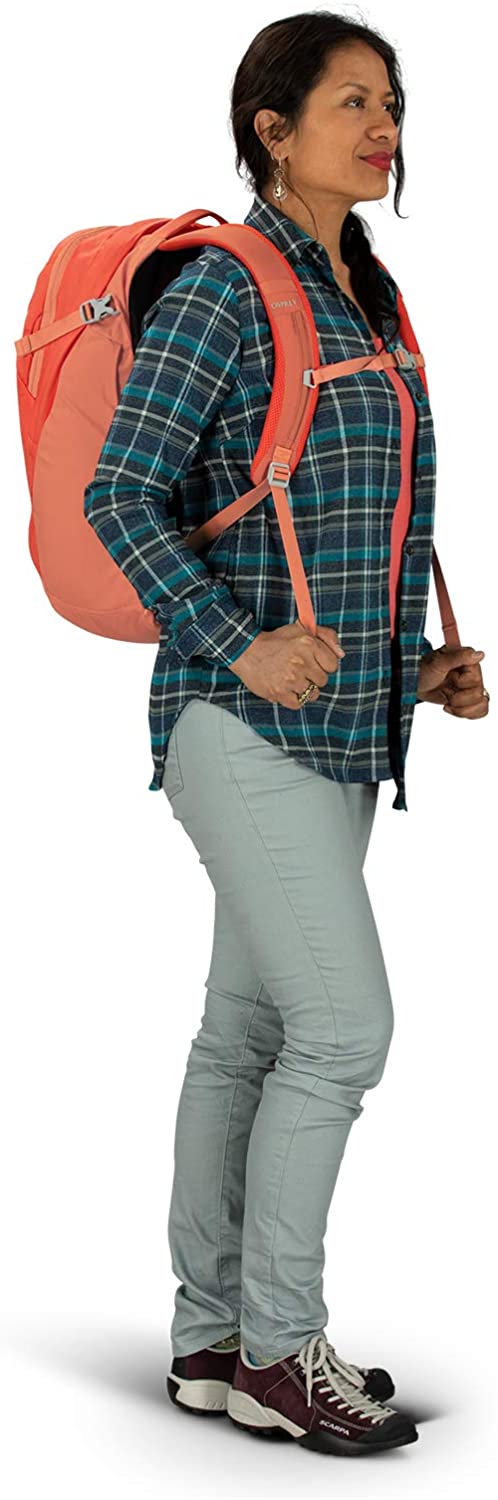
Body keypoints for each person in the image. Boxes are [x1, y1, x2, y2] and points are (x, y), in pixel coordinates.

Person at [83, 10, 489, 1457]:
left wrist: (416, 667)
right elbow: (119, 494)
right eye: (352, 103)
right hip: (235, 721)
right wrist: (240, 640)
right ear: (272, 126)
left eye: (393, 104)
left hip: (341, 731)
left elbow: (340, 519)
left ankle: (210, 1339)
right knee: (343, 1029)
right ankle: (278, 1351)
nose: (384, 129)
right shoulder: (225, 287)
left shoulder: (366, 293)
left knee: (249, 1031)